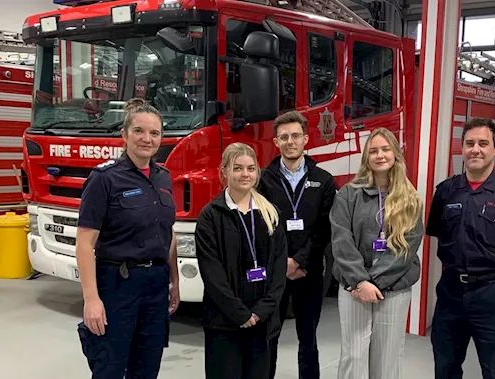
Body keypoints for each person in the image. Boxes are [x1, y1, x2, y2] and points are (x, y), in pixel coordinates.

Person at [426, 117, 495, 379]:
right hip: (450, 293)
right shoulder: (445, 191)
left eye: (482, 143)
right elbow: (437, 235)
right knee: (445, 368)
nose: (475, 149)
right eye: (469, 143)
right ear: (462, 148)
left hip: (492, 295)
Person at [75, 98, 180, 379]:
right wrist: (91, 300)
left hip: (156, 287)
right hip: (117, 286)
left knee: (147, 367)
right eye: (139, 131)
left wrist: (175, 282)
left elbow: (168, 234)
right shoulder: (104, 179)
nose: (147, 139)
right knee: (109, 367)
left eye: (154, 133)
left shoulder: (164, 178)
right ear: (124, 135)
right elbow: (85, 243)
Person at [330, 127, 424, 379]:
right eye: (373, 151)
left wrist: (375, 283)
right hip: (354, 288)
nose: (380, 155)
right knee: (354, 355)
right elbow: (341, 240)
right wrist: (361, 281)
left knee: (387, 357)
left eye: (385, 149)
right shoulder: (348, 194)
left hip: (393, 289)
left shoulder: (410, 198)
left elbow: (408, 244)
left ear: (395, 154)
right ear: (366, 157)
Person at [195, 142, 288, 379]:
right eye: (237, 168)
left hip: (263, 322)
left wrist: (261, 311)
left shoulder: (271, 214)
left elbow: (278, 269)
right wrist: (241, 314)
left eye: (250, 168)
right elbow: (211, 273)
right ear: (224, 171)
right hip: (223, 324)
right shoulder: (211, 216)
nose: (245, 174)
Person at [257, 110, 337, 379]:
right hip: (273, 274)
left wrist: (299, 261)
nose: (290, 141)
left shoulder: (324, 181)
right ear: (276, 142)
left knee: (308, 339)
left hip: (309, 271)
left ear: (305, 139)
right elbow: (261, 229)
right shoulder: (262, 180)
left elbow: (324, 229)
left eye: (295, 136)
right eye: (284, 137)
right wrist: (283, 264)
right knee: (269, 337)